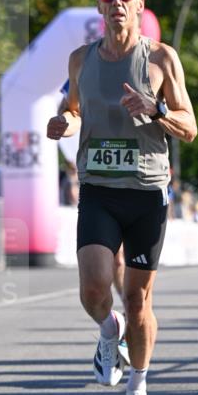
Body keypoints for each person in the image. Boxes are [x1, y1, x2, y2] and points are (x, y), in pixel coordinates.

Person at [47, 0, 197, 395]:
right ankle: (108, 332)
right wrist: (63, 124)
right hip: (98, 187)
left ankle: (139, 392)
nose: (116, 2)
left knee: (138, 301)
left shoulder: (161, 60)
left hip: (147, 192)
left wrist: (156, 110)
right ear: (98, 4)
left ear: (139, 4)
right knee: (94, 288)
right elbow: (72, 109)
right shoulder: (80, 59)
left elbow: (190, 128)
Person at [57, 79, 126, 297]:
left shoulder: (148, 63)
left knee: (123, 260)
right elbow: (68, 111)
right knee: (116, 258)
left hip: (137, 178)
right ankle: (118, 316)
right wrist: (63, 122)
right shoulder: (87, 65)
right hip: (99, 177)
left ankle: (132, 310)